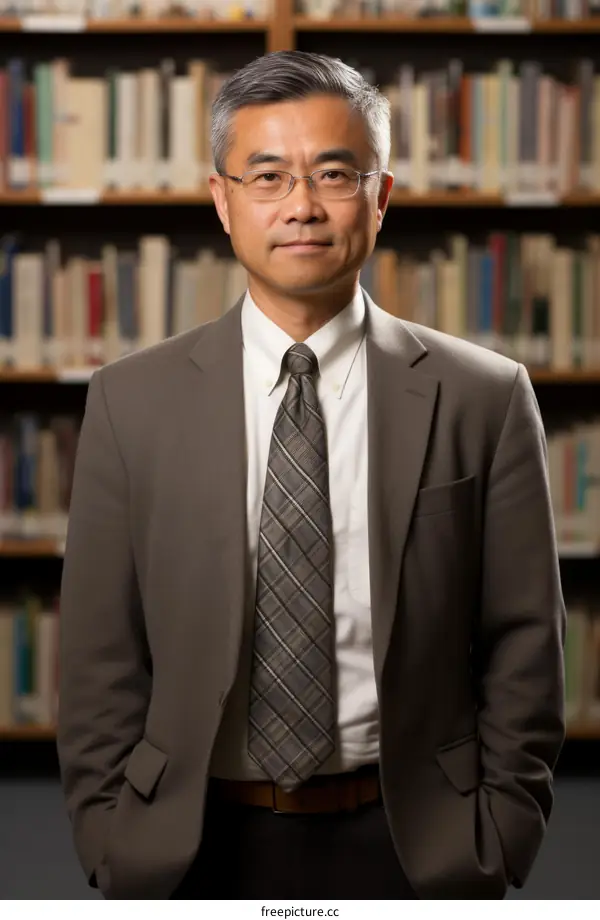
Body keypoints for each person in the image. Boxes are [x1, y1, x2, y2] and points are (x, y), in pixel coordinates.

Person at [57, 50, 566, 900]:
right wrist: (112, 835)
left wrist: (499, 830)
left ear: (381, 196)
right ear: (222, 202)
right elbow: (99, 652)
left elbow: (525, 639)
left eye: (334, 173)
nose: (301, 205)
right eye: (267, 177)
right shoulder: (128, 402)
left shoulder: (484, 396)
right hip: (185, 843)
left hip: (417, 840)